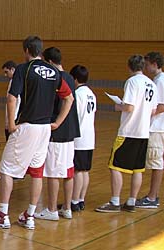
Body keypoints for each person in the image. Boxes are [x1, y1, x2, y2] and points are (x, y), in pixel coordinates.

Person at [0, 36, 73, 230]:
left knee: (6, 170)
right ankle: (29, 216)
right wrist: (57, 122)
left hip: (27, 126)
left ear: (26, 50)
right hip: (45, 129)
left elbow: (11, 97)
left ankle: (2, 215)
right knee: (37, 172)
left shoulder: (24, 69)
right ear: (40, 51)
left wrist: (12, 124)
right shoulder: (55, 72)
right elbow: (69, 98)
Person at [95, 55, 157, 213]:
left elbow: (129, 107)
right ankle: (131, 201)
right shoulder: (151, 84)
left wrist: (118, 106)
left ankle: (115, 201)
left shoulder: (132, 82)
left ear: (129, 67)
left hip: (129, 131)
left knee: (114, 166)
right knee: (137, 169)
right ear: (142, 67)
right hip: (143, 132)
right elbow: (154, 110)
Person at [35, 47, 81, 221]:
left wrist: (56, 123)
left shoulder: (55, 79)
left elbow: (65, 103)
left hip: (58, 130)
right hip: (70, 132)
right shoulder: (69, 77)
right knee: (68, 171)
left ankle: (52, 209)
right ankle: (67, 208)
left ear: (49, 62)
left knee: (53, 172)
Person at [136, 52, 164, 209]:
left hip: (157, 128)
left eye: (147, 64)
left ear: (155, 64)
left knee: (156, 162)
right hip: (158, 127)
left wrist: (146, 112)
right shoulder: (158, 80)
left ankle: (152, 197)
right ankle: (152, 196)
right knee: (156, 162)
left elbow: (161, 105)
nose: (145, 68)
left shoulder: (160, 81)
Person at [70, 64, 96, 211]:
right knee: (85, 171)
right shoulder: (92, 94)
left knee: (78, 171)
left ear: (75, 79)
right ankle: (81, 199)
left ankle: (74, 201)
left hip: (79, 138)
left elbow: (75, 116)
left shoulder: (78, 94)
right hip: (89, 137)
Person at [2, 60, 19, 140]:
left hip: (14, 117)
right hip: (10, 116)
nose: (5, 75)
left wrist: (12, 119)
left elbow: (16, 101)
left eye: (6, 72)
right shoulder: (12, 81)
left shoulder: (17, 82)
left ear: (12, 69)